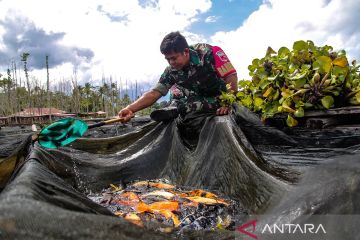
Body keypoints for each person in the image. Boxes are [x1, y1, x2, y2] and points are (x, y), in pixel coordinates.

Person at [118, 31, 238, 123]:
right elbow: (155, 93)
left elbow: (230, 76)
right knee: (177, 97)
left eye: (174, 58)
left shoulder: (210, 53)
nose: (171, 62)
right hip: (195, 96)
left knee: (191, 104)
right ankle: (173, 109)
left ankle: (176, 109)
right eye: (167, 59)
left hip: (218, 97)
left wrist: (227, 104)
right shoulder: (171, 71)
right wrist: (130, 109)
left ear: (186, 52)